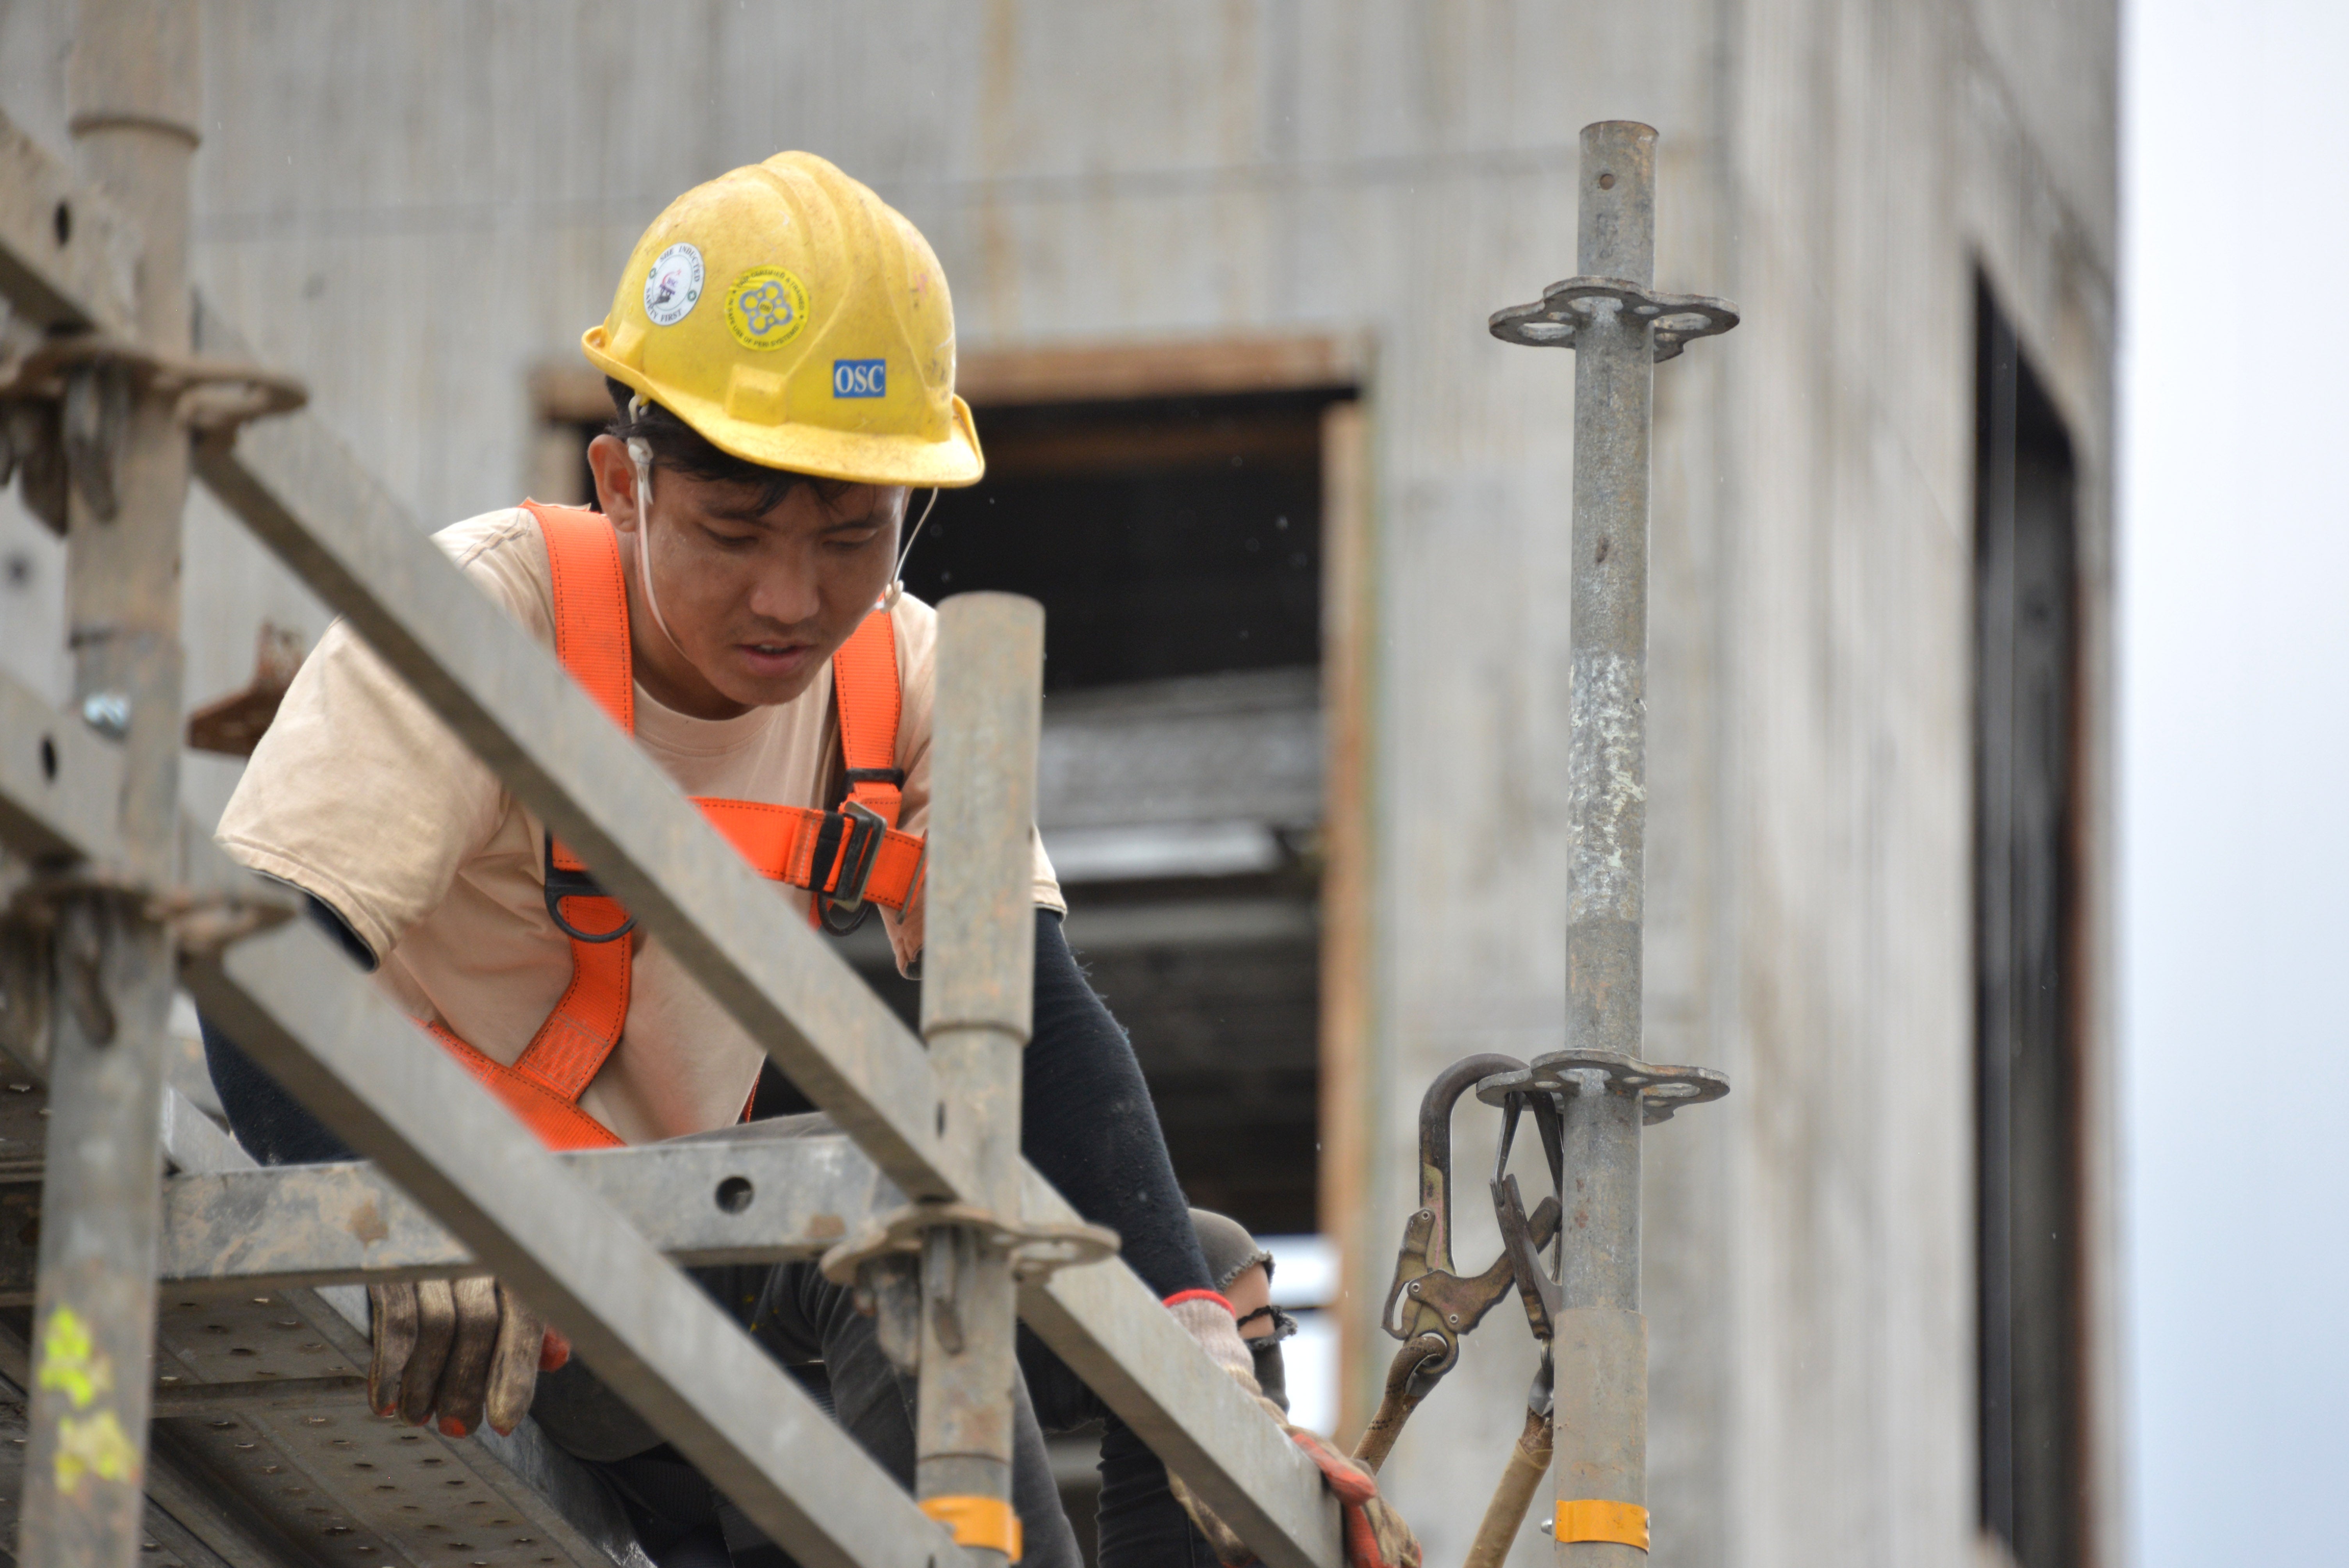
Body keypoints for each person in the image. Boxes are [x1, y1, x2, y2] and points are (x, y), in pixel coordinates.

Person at [198, 152, 1413, 1568]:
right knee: (878, 1215)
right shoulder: (489, 613)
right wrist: (395, 1212)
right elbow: (256, 966)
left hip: (705, 1253)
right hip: (502, 1251)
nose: (791, 599)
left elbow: (1044, 1023)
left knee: (1191, 1273)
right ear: (624, 485)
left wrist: (1193, 1343)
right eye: (734, 532)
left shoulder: (906, 678)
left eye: (850, 538)